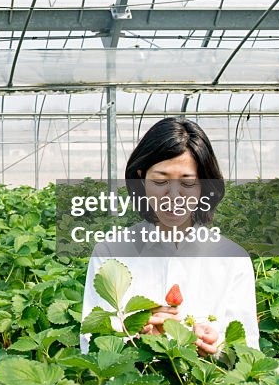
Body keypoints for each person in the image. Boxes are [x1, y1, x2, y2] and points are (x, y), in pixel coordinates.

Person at [79, 117, 260, 355]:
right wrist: (137, 338)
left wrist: (216, 348)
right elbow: (92, 344)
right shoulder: (112, 253)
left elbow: (248, 351)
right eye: (160, 180)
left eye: (187, 183)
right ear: (141, 177)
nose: (173, 196)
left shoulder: (231, 259)